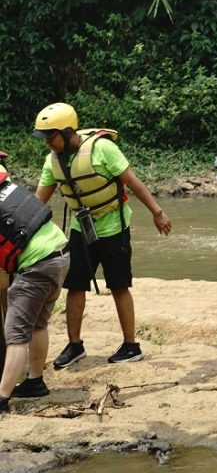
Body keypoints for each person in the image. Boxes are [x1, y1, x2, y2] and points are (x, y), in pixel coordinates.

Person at [32, 102, 172, 368]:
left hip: (114, 225)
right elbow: (39, 201)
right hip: (80, 228)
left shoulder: (102, 149)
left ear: (68, 132)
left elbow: (132, 181)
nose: (47, 142)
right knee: (75, 285)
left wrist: (158, 212)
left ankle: (131, 345)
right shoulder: (52, 161)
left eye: (51, 136)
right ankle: (75, 345)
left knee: (119, 284)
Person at [0, 162, 70, 414]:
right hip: (60, 253)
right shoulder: (6, 186)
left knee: (16, 335)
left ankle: (2, 397)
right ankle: (35, 381)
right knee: (38, 323)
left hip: (37, 265)